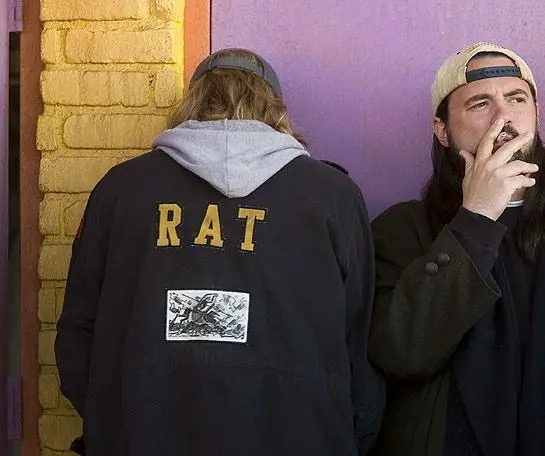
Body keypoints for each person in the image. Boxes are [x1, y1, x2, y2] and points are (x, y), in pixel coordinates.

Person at [55, 48, 383, 456]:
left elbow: (77, 338)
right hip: (299, 435)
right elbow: (359, 339)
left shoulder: (121, 189)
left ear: (192, 102)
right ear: (274, 108)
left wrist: (114, 420)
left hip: (143, 435)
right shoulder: (334, 196)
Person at [369, 41, 545, 456]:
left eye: (517, 99)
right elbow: (401, 353)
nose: (503, 117)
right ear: (442, 130)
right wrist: (476, 220)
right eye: (480, 103)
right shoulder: (402, 230)